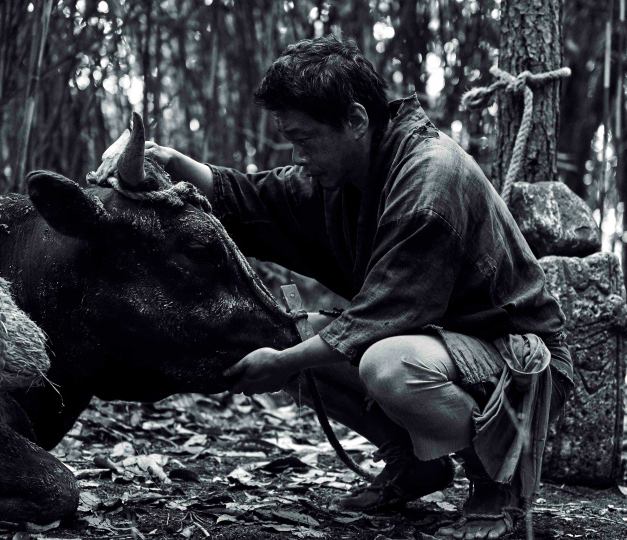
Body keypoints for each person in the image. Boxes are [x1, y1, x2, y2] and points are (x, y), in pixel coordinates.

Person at [100, 34, 573, 539]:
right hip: (438, 346)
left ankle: (497, 489)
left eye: (305, 140)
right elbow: (254, 197)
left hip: (517, 360)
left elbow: (384, 314)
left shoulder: (430, 180)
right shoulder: (348, 170)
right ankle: (412, 465)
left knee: (388, 366)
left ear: (355, 120)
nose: (298, 155)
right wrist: (164, 158)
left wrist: (280, 366)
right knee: (290, 334)